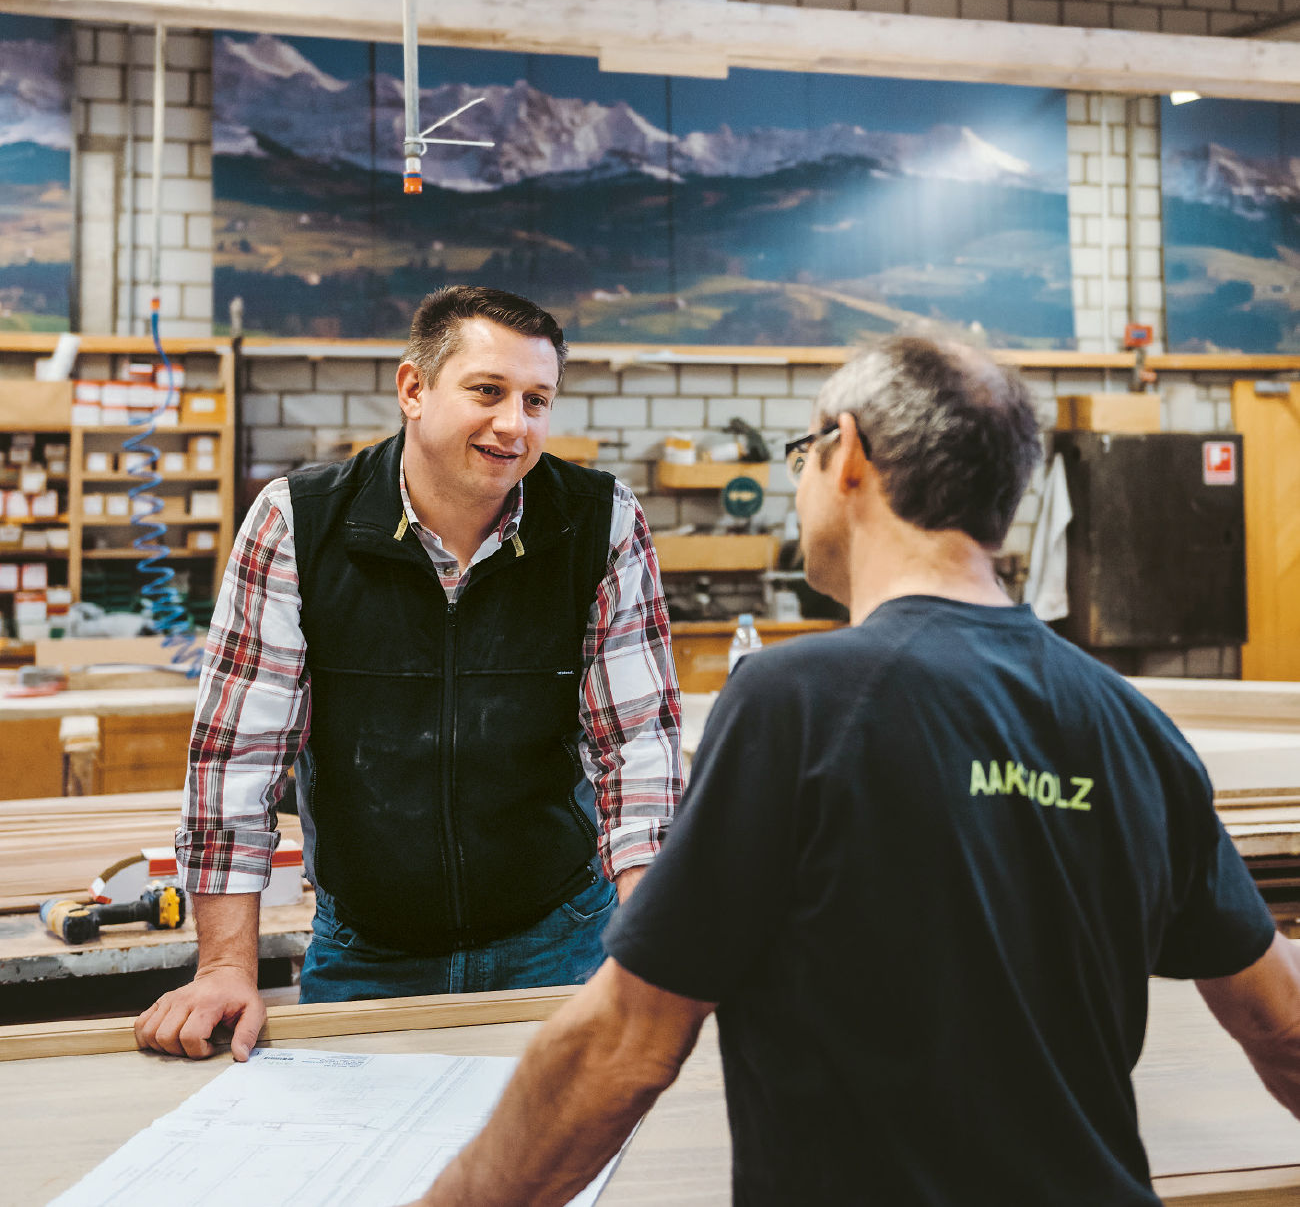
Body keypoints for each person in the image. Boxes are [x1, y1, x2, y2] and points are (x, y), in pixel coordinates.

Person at [410, 335, 1300, 1207]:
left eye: (802, 453)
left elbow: (623, 1046)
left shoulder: (800, 703)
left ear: (848, 456)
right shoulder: (1131, 725)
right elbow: (1285, 1025)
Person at [134, 285, 681, 1061]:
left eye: (536, 400)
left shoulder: (599, 521)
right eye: (487, 391)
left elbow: (640, 758)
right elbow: (236, 760)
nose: (513, 425)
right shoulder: (300, 523)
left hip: (559, 939)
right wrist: (225, 967)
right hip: (370, 952)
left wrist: (646, 955)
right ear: (414, 389)